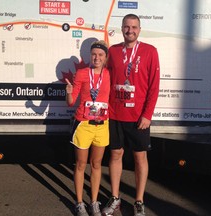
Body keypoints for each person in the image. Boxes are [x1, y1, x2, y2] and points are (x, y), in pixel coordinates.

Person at [102, 14, 160, 216]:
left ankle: (139, 201)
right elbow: (106, 81)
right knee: (115, 154)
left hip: (138, 117)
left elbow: (154, 86)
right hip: (115, 114)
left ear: (139, 29)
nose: (130, 30)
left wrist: (148, 114)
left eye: (134, 27)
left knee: (139, 158)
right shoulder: (113, 51)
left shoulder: (150, 51)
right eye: (127, 27)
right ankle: (115, 197)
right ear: (121, 29)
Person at [66, 40, 110, 216]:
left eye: (100, 55)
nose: (97, 57)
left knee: (97, 164)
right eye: (94, 54)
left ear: (105, 58)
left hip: (102, 125)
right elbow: (71, 102)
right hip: (83, 124)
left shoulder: (109, 75)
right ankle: (79, 203)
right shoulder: (82, 73)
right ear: (89, 56)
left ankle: (93, 202)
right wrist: (69, 91)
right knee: (81, 164)